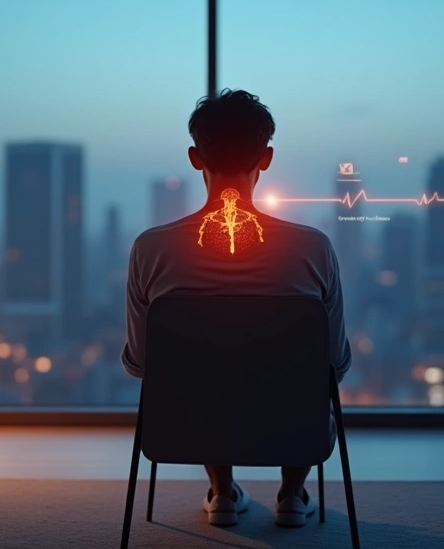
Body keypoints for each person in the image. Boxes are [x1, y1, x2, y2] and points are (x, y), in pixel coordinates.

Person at [121, 89, 352, 528]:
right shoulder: (313, 249)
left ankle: (223, 491)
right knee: (307, 381)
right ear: (265, 158)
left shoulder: (150, 249)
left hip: (188, 426)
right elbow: (334, 365)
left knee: (209, 380)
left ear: (194, 157)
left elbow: (141, 363)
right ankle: (291, 493)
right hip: (292, 425)